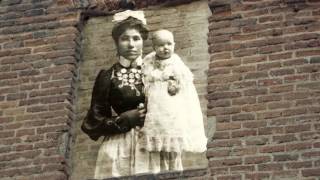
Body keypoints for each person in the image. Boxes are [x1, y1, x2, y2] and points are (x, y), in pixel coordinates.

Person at [81, 11, 185, 178]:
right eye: (124, 39)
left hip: (156, 142)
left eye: (136, 39)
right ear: (116, 42)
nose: (131, 45)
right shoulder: (108, 76)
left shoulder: (160, 69)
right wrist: (124, 120)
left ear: (143, 41)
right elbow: (92, 123)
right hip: (121, 146)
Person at [138, 29, 207, 157]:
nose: (165, 48)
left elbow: (185, 85)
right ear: (154, 47)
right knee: (155, 126)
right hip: (154, 104)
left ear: (174, 45)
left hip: (170, 104)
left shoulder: (176, 64)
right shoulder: (148, 61)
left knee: (170, 128)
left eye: (169, 44)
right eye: (161, 45)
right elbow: (144, 77)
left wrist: (175, 84)